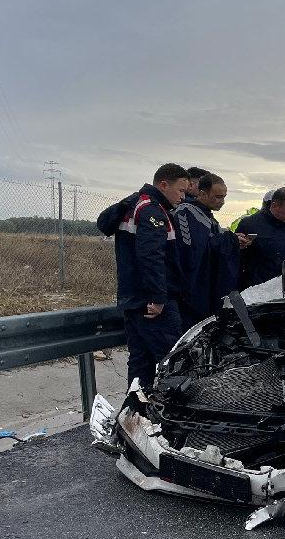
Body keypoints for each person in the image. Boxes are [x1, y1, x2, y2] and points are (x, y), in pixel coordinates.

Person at [103, 163, 190, 389]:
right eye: (180, 191)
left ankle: (135, 412)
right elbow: (151, 258)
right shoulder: (152, 210)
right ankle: (172, 417)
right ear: (163, 185)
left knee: (140, 362)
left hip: (134, 300)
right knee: (173, 360)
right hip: (151, 304)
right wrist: (158, 299)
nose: (183, 197)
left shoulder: (136, 205)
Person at [174, 173, 251, 329]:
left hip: (209, 289)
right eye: (217, 197)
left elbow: (213, 242)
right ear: (202, 194)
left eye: (224, 197)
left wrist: (234, 242)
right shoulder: (186, 212)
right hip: (193, 292)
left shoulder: (208, 217)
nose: (222, 201)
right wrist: (230, 241)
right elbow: (194, 249)